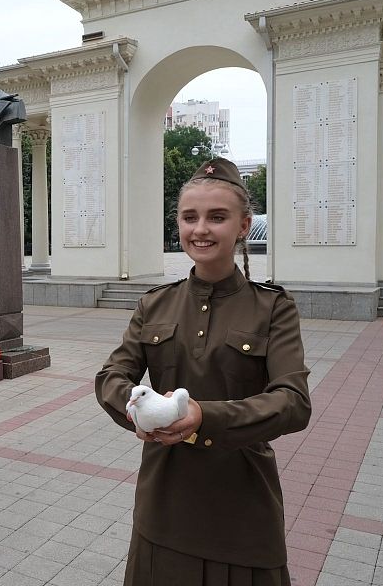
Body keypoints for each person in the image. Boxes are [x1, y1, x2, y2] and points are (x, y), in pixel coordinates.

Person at [95, 158, 311, 585]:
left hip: (243, 504)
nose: (200, 229)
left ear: (244, 225)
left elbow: (294, 402)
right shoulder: (154, 304)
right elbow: (111, 376)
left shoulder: (273, 307)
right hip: (164, 500)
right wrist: (134, 409)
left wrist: (204, 417)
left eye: (217, 217)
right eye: (189, 217)